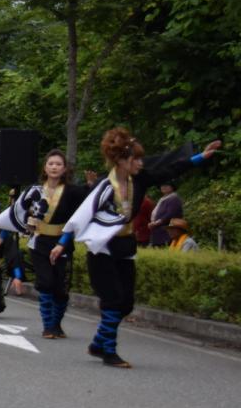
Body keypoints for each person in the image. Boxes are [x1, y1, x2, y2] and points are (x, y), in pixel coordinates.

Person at [61, 129, 220, 368]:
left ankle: (98, 344)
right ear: (121, 161)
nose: (139, 163)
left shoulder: (140, 179)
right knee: (113, 299)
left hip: (125, 245)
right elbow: (81, 216)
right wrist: (61, 245)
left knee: (126, 303)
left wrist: (201, 157)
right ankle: (109, 352)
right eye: (134, 159)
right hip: (102, 249)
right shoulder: (104, 186)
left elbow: (170, 169)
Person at [0, 149, 93, 338]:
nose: (54, 167)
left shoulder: (73, 191)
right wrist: (1, 236)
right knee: (45, 283)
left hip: (63, 241)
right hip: (39, 242)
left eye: (58, 164)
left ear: (64, 169)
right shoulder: (33, 191)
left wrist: (92, 186)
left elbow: (81, 215)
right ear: (45, 167)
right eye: (51, 163)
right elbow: (14, 214)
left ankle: (57, 324)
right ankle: (48, 325)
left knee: (61, 288)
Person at [148, 182, 183, 247]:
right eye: (162, 185)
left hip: (167, 233)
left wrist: (156, 223)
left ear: (172, 187)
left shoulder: (174, 198)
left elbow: (170, 215)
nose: (163, 187)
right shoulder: (163, 199)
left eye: (166, 185)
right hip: (158, 232)